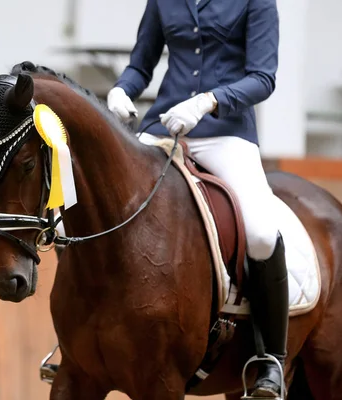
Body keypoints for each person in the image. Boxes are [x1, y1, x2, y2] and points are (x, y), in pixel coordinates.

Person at [107, 0, 287, 397]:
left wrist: (209, 101)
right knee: (106, 203)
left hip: (226, 132)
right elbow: (142, 63)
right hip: (164, 126)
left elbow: (263, 77)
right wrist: (122, 89)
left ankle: (270, 358)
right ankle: (79, 334)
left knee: (259, 233)